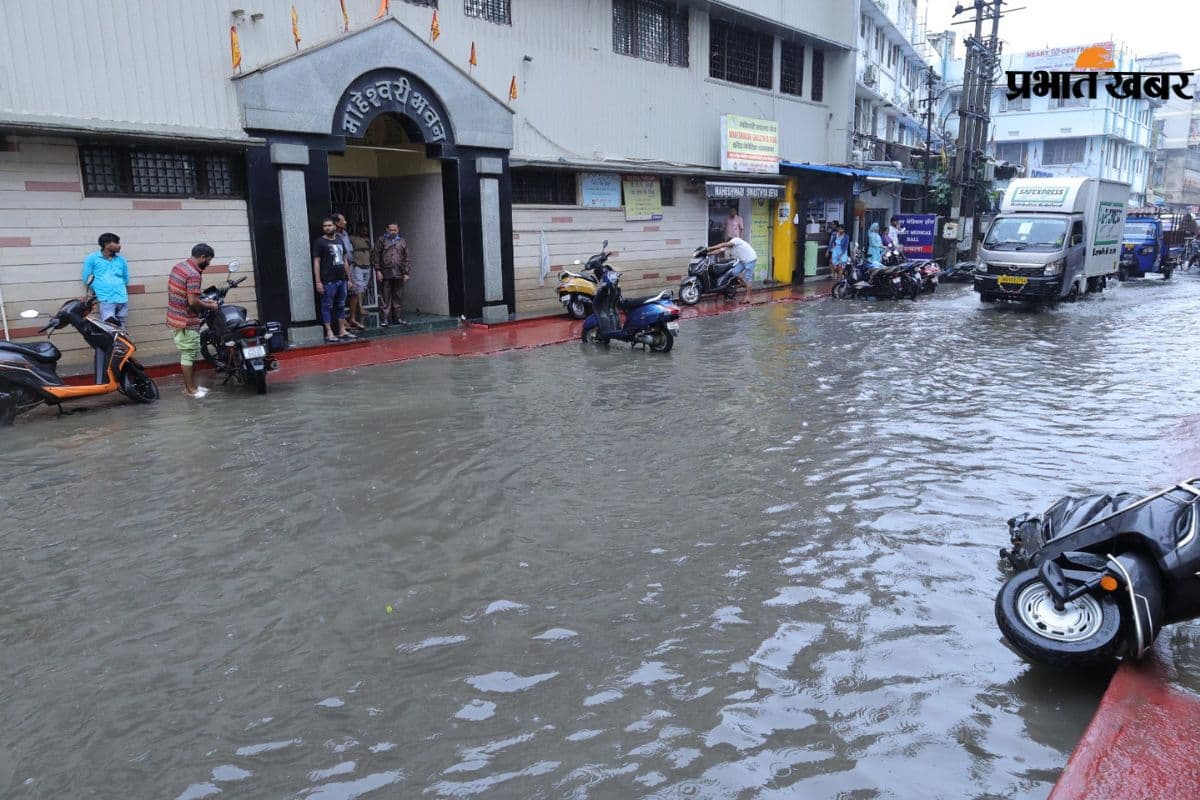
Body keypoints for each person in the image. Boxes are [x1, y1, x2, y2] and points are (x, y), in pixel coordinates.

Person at [166, 243, 220, 398]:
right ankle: (191, 390)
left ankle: (191, 387)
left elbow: (186, 293)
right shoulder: (194, 274)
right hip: (186, 319)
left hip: (176, 316)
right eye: (208, 260)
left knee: (188, 352)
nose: (209, 264)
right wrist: (211, 307)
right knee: (189, 354)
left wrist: (205, 301)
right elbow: (193, 301)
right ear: (202, 257)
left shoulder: (179, 267)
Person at [313, 216, 356, 343]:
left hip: (341, 279)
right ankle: (329, 332)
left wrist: (349, 279)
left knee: (341, 305)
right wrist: (318, 281)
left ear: (335, 227)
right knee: (326, 306)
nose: (327, 228)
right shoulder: (320, 242)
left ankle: (342, 330)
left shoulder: (339, 240)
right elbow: (316, 262)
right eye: (325, 226)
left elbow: (345, 261)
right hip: (328, 280)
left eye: (329, 225)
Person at [82, 232, 130, 328]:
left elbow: (126, 278)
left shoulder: (121, 260)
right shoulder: (93, 258)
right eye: (116, 243)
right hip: (106, 299)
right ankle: (114, 343)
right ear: (106, 244)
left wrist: (120, 288)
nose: (119, 245)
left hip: (122, 298)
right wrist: (99, 289)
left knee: (121, 325)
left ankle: (122, 343)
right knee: (109, 326)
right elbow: (87, 278)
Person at [372, 222, 412, 327]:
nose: (393, 232)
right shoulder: (381, 240)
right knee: (385, 296)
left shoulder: (402, 241)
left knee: (398, 296)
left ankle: (397, 318)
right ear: (387, 230)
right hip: (386, 272)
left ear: (398, 230)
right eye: (391, 230)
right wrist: (378, 270)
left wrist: (406, 272)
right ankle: (385, 319)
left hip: (399, 272)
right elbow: (376, 255)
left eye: (395, 230)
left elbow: (407, 257)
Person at [334, 213, 365, 330]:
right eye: (343, 220)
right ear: (337, 223)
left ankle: (352, 318)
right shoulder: (335, 236)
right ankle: (342, 322)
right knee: (341, 295)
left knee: (355, 292)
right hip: (340, 268)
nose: (346, 222)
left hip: (351, 266)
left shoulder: (345, 233)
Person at [707, 235, 757, 303]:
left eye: (728, 244)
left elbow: (724, 244)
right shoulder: (728, 247)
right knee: (734, 272)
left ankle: (747, 297)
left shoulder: (736, 240)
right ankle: (743, 283)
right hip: (742, 260)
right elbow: (718, 251)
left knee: (748, 278)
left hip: (750, 259)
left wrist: (710, 248)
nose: (727, 246)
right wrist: (707, 254)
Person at [349, 222, 373, 329]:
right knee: (358, 287)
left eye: (366, 229)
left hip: (367, 265)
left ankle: (360, 306)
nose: (365, 231)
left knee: (364, 287)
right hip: (357, 265)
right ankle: (359, 307)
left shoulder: (368, 239)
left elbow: (371, 251)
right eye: (362, 229)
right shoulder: (352, 238)